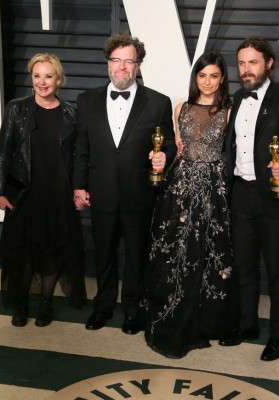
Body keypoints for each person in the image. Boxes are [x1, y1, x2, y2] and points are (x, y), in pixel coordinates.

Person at [218, 36, 279, 361]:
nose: (246, 69)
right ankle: (247, 324)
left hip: (273, 198)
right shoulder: (237, 95)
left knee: (277, 270)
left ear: (269, 63)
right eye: (242, 63)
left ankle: (278, 337)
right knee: (244, 266)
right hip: (241, 195)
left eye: (253, 62)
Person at [73, 33, 176, 334]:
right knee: (102, 253)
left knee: (136, 256)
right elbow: (82, 147)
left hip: (139, 194)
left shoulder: (157, 102)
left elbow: (167, 141)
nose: (122, 67)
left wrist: (164, 156)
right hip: (100, 192)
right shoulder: (86, 100)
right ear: (108, 63)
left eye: (129, 60)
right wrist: (79, 185)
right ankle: (103, 306)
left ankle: (133, 309)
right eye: (116, 60)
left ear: (138, 65)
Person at [141, 51, 233, 358]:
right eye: (202, 75)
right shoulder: (180, 107)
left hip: (212, 190)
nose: (207, 82)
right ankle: (170, 308)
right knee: (173, 250)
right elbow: (177, 147)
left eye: (214, 76)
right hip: (179, 189)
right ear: (196, 77)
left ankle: (205, 321)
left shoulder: (229, 111)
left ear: (222, 79)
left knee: (206, 253)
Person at [0, 53, 86, 328]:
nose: (42, 82)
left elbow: (79, 156)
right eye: (36, 76)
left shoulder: (71, 113)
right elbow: (4, 153)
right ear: (31, 78)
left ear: (58, 80)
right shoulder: (16, 109)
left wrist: (79, 189)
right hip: (25, 194)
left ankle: (45, 303)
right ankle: (21, 305)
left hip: (58, 196)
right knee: (23, 254)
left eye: (48, 76)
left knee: (52, 253)